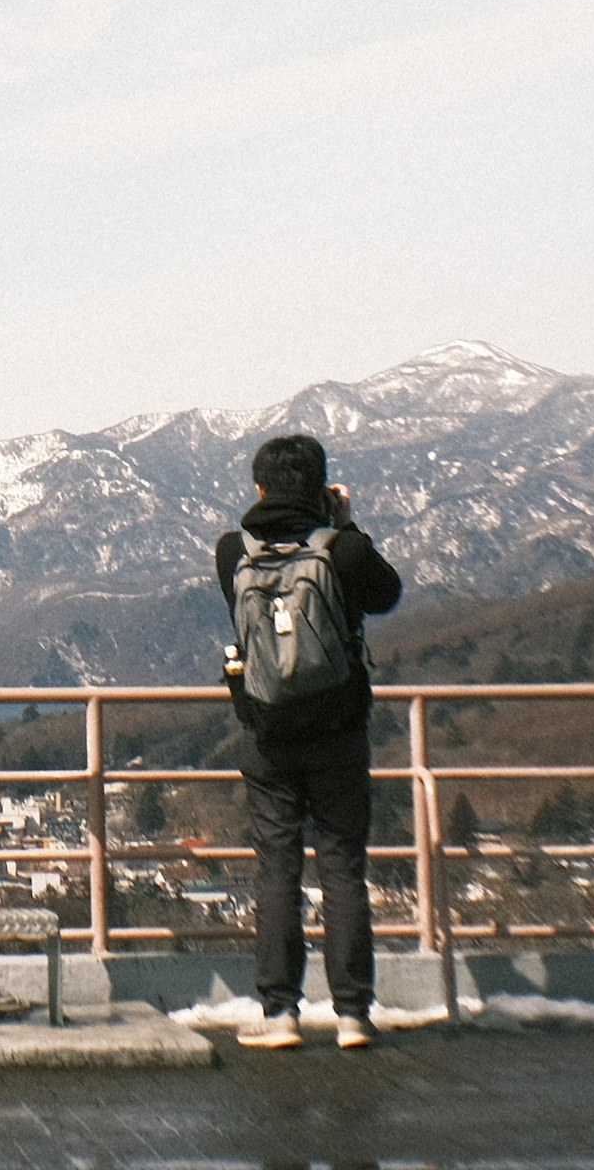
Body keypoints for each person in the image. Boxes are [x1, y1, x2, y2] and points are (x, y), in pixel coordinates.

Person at [212, 431, 401, 1052]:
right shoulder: (341, 550)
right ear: (320, 485)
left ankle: (280, 1014)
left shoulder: (231, 552)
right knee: (343, 866)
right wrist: (346, 525)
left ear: (259, 488)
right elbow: (386, 595)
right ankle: (352, 1015)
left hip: (267, 733)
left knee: (278, 869)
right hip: (339, 730)